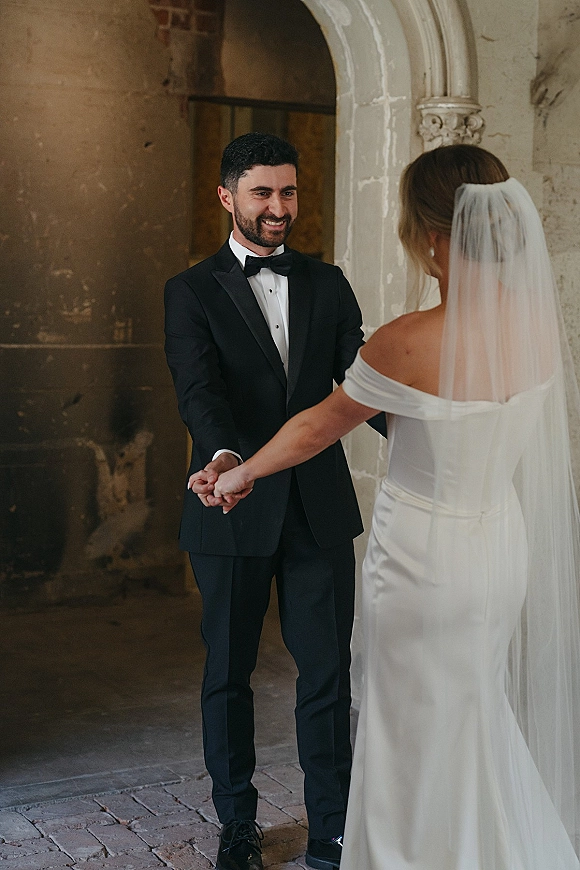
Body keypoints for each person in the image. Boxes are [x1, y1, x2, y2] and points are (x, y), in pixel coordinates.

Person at [210, 144, 580, 870]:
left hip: (422, 560)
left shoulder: (407, 340)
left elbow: (320, 424)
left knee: (407, 722)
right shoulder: (541, 327)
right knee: (474, 707)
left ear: (432, 235)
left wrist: (239, 472)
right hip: (497, 548)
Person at [164, 132, 386, 870]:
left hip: (319, 508)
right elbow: (199, 391)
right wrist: (228, 459)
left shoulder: (328, 281)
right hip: (229, 504)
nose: (278, 208)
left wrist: (427, 435)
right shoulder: (190, 291)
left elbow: (362, 385)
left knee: (326, 673)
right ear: (226, 196)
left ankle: (330, 827)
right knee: (227, 672)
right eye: (262, 193)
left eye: (288, 192)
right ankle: (237, 825)